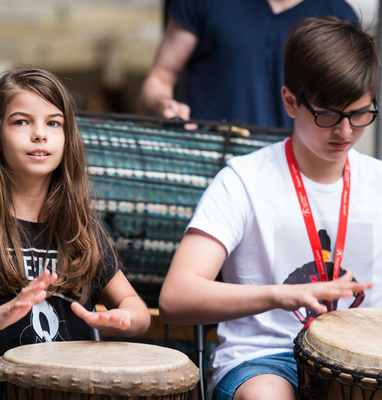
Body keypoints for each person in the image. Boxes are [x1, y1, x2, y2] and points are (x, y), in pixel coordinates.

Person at [159, 16, 380, 400]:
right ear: (290, 102)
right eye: (328, 114)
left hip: (366, 360)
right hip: (266, 358)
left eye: (360, 114)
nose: (345, 132)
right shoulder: (243, 180)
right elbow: (176, 297)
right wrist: (279, 295)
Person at [0, 66, 151, 398]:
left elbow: (137, 308)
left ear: (67, 137)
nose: (39, 134)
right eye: (21, 121)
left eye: (53, 123)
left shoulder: (80, 229)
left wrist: (125, 318)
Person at [138, 0, 359, 129]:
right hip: (207, 164)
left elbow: (344, 108)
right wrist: (165, 105)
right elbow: (158, 80)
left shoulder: (338, 15)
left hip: (292, 176)